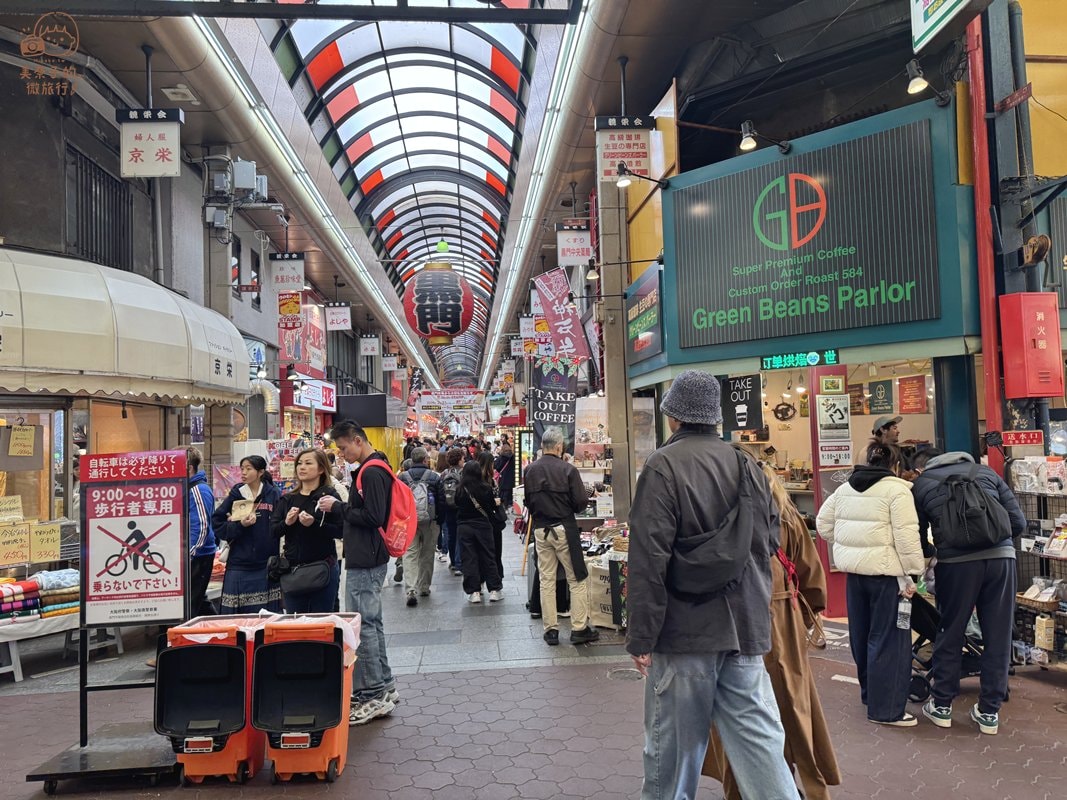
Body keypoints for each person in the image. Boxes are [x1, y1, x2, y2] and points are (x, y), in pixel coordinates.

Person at [626, 371, 798, 800]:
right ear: (714, 417)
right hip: (745, 628)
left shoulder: (662, 466)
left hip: (685, 631)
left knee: (673, 754)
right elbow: (768, 543)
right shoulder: (746, 464)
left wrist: (641, 636)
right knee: (761, 746)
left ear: (672, 417)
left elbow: (649, 557)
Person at [703, 463, 841, 800]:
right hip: (782, 624)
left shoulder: (718, 517)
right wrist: (804, 619)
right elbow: (811, 578)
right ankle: (801, 783)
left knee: (739, 714)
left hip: (731, 626)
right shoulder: (786, 515)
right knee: (792, 708)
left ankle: (739, 788)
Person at [912, 448, 1026, 735]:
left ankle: (941, 707)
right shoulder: (987, 474)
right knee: (997, 635)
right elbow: (1018, 523)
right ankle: (989, 712)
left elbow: (918, 537)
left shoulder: (923, 484)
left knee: (950, 630)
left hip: (955, 565)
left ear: (922, 467)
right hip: (1001, 561)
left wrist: (939, 548)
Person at [817, 442, 924, 727]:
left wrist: (850, 546)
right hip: (887, 577)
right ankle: (886, 709)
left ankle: (870, 695)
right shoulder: (897, 490)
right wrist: (914, 571)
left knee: (862, 637)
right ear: (895, 465)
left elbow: (823, 524)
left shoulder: (845, 488)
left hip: (855, 576)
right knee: (889, 640)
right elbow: (906, 536)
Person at [317, 420, 398, 726]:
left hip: (367, 555)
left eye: (343, 447)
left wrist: (338, 507)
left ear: (358, 441)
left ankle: (373, 695)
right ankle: (384, 686)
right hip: (369, 553)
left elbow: (373, 516)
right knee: (371, 623)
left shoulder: (371, 471)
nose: (341, 453)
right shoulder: (375, 467)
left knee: (362, 626)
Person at [524, 427, 598, 646]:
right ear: (558, 447)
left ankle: (551, 630)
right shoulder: (568, 470)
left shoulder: (530, 470)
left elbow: (528, 501)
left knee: (546, 579)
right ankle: (578, 628)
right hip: (564, 528)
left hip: (540, 529)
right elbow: (580, 503)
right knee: (577, 578)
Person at [269, 449, 343, 614]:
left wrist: (314, 524)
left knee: (321, 622)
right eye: (299, 464)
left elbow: (341, 530)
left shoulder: (329, 496)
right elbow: (273, 531)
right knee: (296, 624)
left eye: (308, 463)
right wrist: (287, 523)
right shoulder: (287, 499)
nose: (302, 467)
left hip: (323, 569)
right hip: (293, 572)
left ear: (321, 469)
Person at [211, 455, 283, 614]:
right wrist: (239, 525)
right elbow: (217, 523)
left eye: (248, 469)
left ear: (260, 472)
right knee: (237, 618)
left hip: (266, 564)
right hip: (239, 564)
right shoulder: (236, 494)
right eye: (242, 468)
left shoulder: (274, 494)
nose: (243, 472)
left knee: (265, 617)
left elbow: (281, 526)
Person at [397, 446, 444, 607]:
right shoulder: (434, 477)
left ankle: (410, 588)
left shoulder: (403, 477)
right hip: (430, 520)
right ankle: (424, 587)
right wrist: (440, 520)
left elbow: (396, 501)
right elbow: (441, 500)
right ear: (425, 459)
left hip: (408, 520)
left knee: (410, 553)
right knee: (427, 553)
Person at [455, 459, 503, 603]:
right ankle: (494, 590)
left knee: (469, 559)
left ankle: (474, 592)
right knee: (488, 556)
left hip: (464, 526)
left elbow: (456, 505)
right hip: (483, 526)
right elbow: (490, 508)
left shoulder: (460, 489)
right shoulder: (485, 488)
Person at [186, 446, 218, 617]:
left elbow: (201, 526)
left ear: (189, 467)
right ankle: (220, 632)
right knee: (198, 600)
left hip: (198, 555)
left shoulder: (197, 489)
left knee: (191, 603)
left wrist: (188, 555)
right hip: (196, 553)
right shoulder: (189, 488)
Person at [478, 450, 505, 583]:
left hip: (478, 521)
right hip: (492, 521)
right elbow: (496, 500)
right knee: (495, 551)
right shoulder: (492, 482)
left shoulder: (473, 481)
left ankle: (481, 579)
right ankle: (496, 579)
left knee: (481, 552)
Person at [440, 447, 464, 576]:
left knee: (451, 534)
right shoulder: (463, 473)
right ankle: (460, 564)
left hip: (447, 508)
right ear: (460, 459)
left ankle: (453, 561)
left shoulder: (444, 473)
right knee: (460, 534)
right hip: (460, 507)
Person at [495, 443, 515, 515]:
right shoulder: (514, 457)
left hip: (503, 478)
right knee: (510, 494)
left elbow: (497, 467)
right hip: (512, 479)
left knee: (503, 494)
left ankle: (504, 508)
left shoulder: (501, 457)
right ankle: (510, 508)